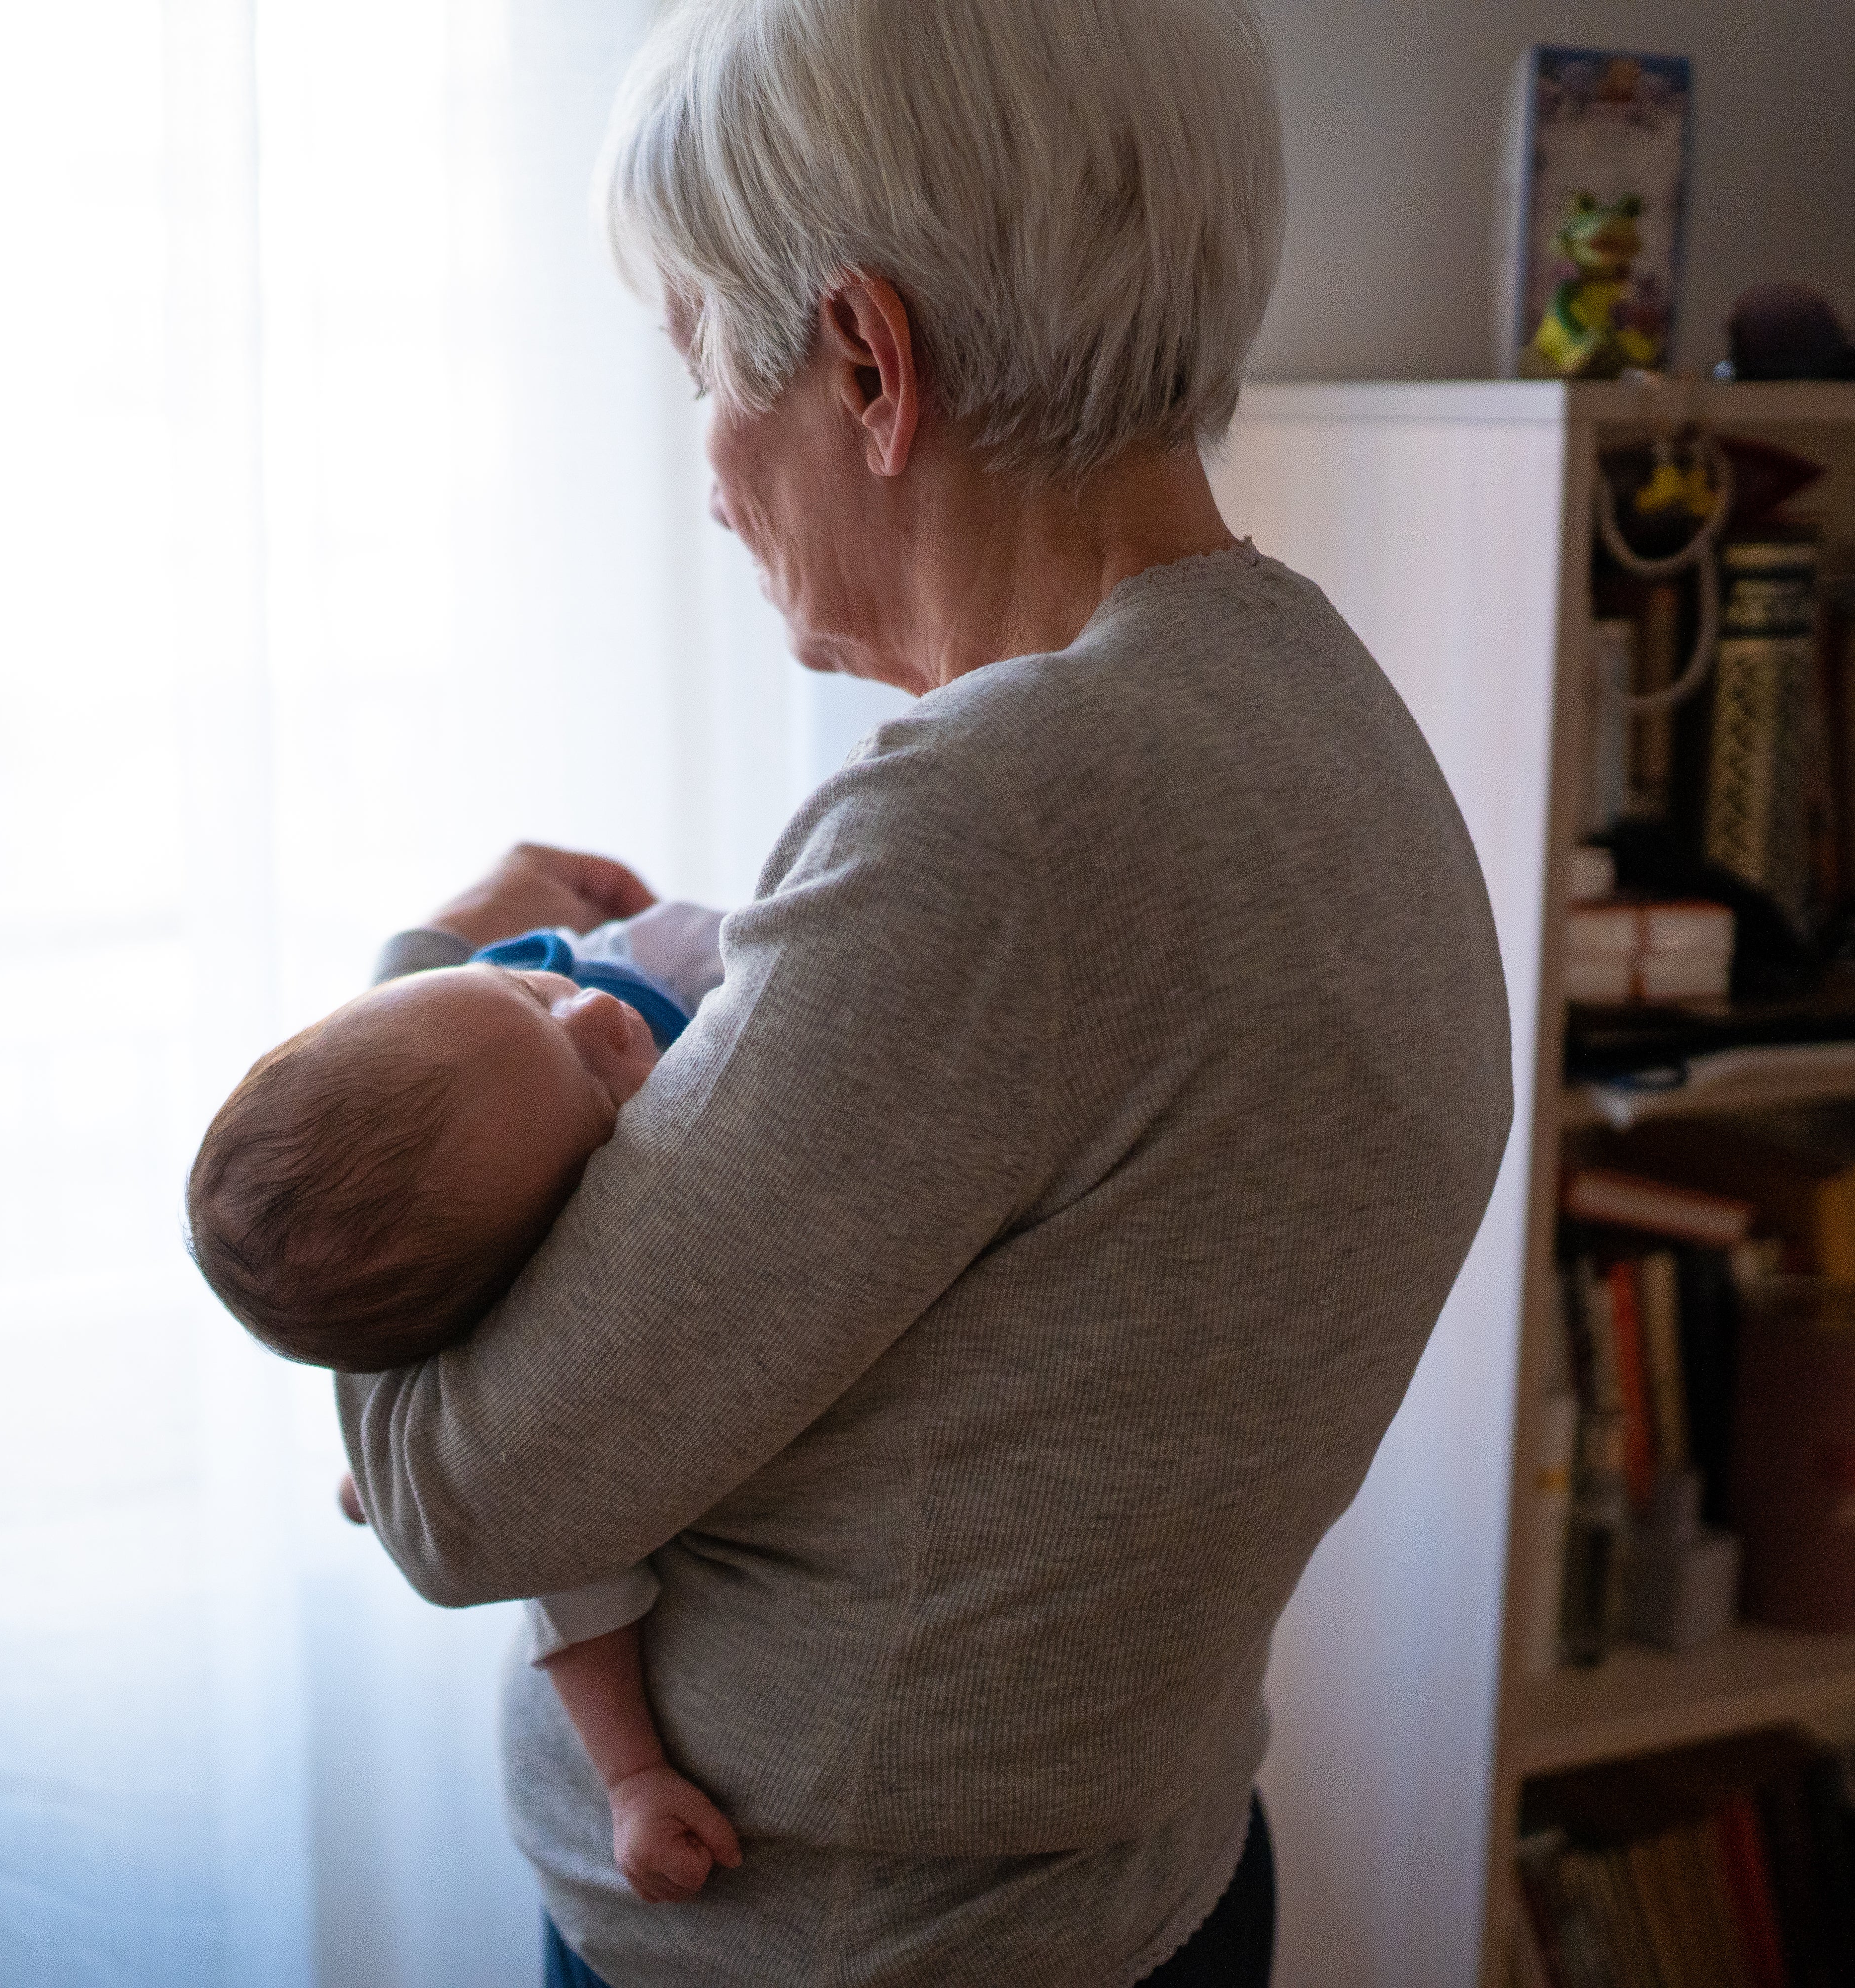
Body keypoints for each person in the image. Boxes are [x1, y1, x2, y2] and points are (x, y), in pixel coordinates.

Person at [332, 2, 1514, 1985]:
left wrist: (430, 986)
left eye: (699, 359)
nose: (704, 471)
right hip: (1151, 1884)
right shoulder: (1324, 717)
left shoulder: (996, 829)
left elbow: (456, 1482)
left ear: (866, 362)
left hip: (829, 1944)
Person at [188, 902, 744, 1901]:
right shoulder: (570, 1309)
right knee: (568, 1558)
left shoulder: (573, 985)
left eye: (529, 995)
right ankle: (628, 1776)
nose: (601, 1018)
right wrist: (632, 1775)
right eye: (585, 1085)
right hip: (629, 1871)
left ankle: (381, 1482)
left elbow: (730, 952)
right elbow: (561, 1559)